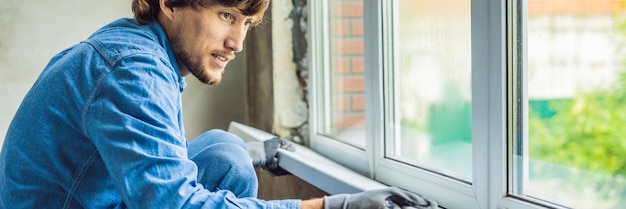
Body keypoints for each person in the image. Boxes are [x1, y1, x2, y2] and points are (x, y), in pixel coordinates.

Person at [0, 0, 438, 208]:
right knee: (224, 165)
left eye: (246, 22)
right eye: (226, 16)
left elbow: (149, 158)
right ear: (169, 3)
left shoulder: (136, 47)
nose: (237, 43)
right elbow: (174, 204)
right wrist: (332, 206)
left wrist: (253, 152)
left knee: (225, 154)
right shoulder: (131, 69)